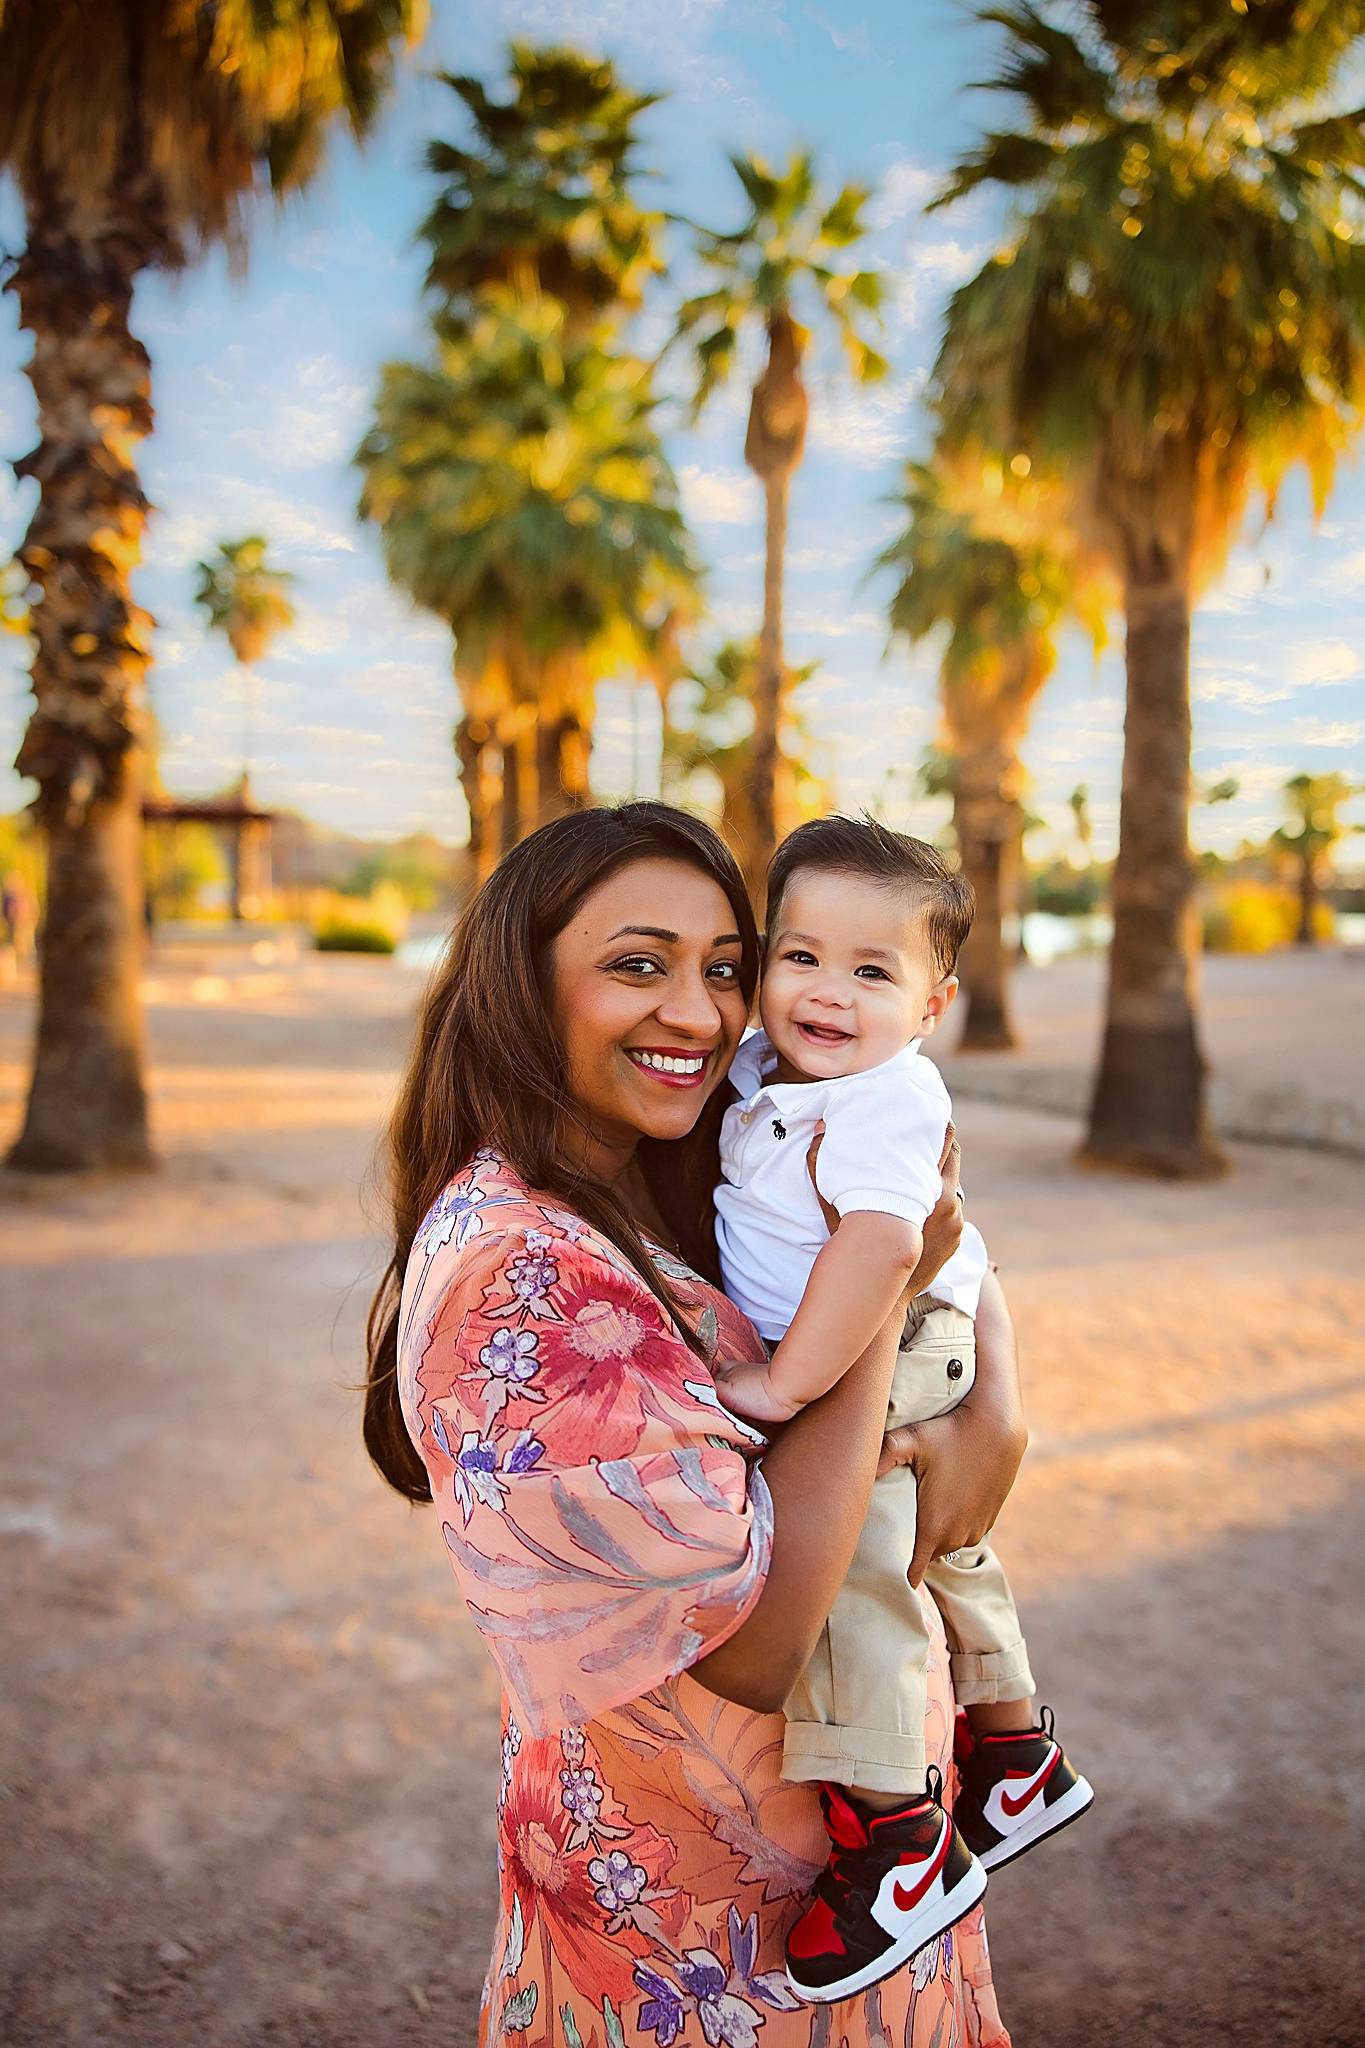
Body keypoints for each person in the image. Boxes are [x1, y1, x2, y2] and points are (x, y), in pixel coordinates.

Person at [364, 802, 1026, 2048]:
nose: (703, 1011)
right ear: (521, 982)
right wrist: (884, 1298)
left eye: (726, 966)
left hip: (831, 1850)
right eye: (637, 964)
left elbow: (929, 1215)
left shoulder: (653, 1158)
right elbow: (757, 1644)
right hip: (706, 1928)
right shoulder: (521, 1265)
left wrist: (999, 1397)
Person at [712, 817, 1092, 2002]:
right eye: (801, 956)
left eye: (873, 971)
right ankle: (1017, 1742)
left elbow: (886, 1243)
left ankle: (898, 1831)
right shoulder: (769, 1069)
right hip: (896, 1324)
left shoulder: (883, 1098)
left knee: (854, 1557)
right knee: (949, 1536)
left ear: (931, 1005)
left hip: (897, 1330)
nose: (829, 992)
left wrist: (786, 1385)